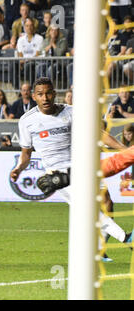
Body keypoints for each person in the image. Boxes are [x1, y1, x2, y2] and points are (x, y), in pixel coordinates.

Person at [10, 77, 133, 262]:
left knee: (106, 202)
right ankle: (126, 238)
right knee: (86, 207)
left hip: (82, 167)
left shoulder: (71, 112)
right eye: (40, 94)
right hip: (58, 175)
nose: (45, 98)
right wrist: (19, 168)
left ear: (54, 93)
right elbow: (26, 154)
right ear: (34, 96)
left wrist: (126, 152)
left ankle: (99, 250)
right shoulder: (27, 121)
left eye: (48, 93)